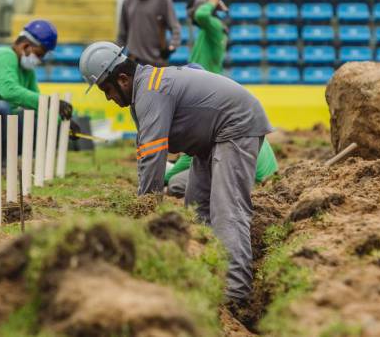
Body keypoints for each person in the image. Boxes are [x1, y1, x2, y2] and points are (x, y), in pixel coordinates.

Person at [79, 41, 273, 308]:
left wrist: (146, 208)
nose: (108, 98)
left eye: (107, 89)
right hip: (211, 140)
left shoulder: (150, 90)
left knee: (226, 209)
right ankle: (209, 273)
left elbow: (153, 154)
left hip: (236, 127)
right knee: (195, 207)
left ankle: (236, 294)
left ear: (123, 79)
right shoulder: (147, 87)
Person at [166, 0, 278, 197]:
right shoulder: (208, 31)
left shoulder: (213, 26)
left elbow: (201, 14)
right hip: (204, 91)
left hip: (205, 94)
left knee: (180, 180)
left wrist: (212, 2)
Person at [0, 20, 76, 156]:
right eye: (39, 54)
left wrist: (61, 122)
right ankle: (2, 162)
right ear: (25, 46)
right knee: (0, 108)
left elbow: (38, 107)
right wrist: (51, 102)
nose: (40, 60)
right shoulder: (3, 56)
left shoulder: (27, 71)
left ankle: (7, 155)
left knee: (38, 123)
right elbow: (9, 91)